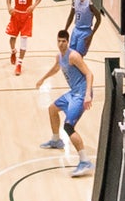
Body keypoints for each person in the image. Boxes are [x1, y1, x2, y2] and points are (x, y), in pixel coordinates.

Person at [36, 30, 95, 177]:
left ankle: (85, 161)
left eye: (63, 41)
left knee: (68, 126)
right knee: (52, 109)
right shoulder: (59, 56)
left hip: (81, 94)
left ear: (68, 42)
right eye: (59, 41)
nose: (61, 44)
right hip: (73, 92)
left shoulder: (73, 56)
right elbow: (56, 68)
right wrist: (43, 78)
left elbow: (89, 74)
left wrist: (87, 94)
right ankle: (56, 140)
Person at [5, 0, 40, 76]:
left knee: (24, 39)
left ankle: (19, 64)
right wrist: (9, 7)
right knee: (12, 38)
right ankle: (13, 51)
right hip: (16, 14)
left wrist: (33, 6)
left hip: (27, 16)